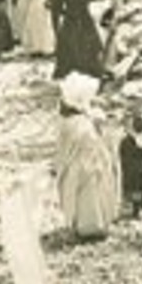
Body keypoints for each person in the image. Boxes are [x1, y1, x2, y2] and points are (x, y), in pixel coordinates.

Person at [54, 73, 120, 242]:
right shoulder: (79, 124)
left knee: (88, 197)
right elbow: (88, 143)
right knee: (87, 197)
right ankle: (88, 227)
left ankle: (90, 226)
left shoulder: (74, 120)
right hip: (86, 165)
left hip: (84, 164)